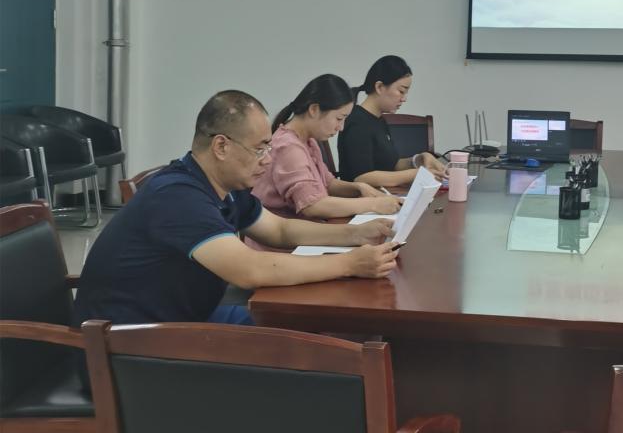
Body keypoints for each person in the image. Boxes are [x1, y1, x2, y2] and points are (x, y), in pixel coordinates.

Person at [74, 90, 399, 327]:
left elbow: (280, 230)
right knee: (301, 349)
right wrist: (349, 263)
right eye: (260, 149)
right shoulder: (178, 197)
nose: (268, 159)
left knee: (302, 326)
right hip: (130, 346)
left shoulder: (225, 187)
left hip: (186, 318)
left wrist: (356, 234)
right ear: (221, 146)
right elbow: (249, 269)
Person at [253, 74, 402, 219]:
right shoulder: (288, 147)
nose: (341, 127)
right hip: (289, 234)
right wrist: (372, 205)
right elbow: (312, 206)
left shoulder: (309, 141)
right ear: (314, 110)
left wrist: (358, 188)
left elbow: (327, 183)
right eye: (339, 118)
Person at [337, 55, 445, 187]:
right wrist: (416, 174)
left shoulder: (379, 120)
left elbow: (392, 164)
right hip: (360, 198)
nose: (404, 99)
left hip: (383, 193)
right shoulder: (357, 122)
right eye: (401, 91)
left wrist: (418, 159)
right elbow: (363, 177)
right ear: (379, 87)